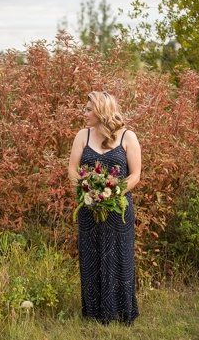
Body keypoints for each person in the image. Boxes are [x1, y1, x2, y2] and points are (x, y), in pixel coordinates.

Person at [67, 91, 141, 325]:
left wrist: (114, 192)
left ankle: (120, 313)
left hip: (118, 210)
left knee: (119, 258)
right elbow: (72, 170)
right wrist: (87, 189)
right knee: (91, 257)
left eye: (88, 109)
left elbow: (136, 174)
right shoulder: (82, 135)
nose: (84, 113)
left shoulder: (128, 136)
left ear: (101, 111)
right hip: (89, 209)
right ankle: (94, 313)